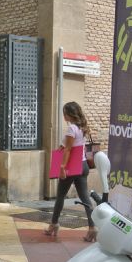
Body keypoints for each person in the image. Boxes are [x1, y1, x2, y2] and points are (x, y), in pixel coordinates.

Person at [45, 101, 97, 242]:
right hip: (83, 165)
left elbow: (68, 150)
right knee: (85, 198)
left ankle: (54, 225)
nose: (64, 116)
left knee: (60, 196)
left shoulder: (71, 129)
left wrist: (62, 167)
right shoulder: (83, 128)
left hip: (71, 167)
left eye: (64, 113)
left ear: (68, 114)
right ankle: (92, 228)